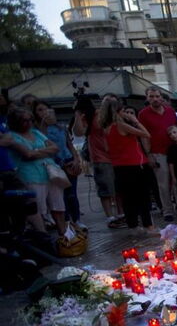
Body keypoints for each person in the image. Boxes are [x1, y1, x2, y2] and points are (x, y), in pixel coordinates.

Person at [5, 107, 67, 235]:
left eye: (30, 120)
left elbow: (55, 148)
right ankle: (43, 236)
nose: (28, 123)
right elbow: (28, 154)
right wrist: (44, 152)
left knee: (58, 206)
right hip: (31, 175)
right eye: (24, 120)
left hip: (50, 173)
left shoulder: (36, 132)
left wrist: (36, 152)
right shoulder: (12, 136)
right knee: (38, 209)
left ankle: (65, 235)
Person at [100, 102, 156, 234]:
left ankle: (133, 226)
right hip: (134, 164)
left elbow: (106, 148)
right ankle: (148, 226)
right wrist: (135, 121)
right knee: (142, 196)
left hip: (119, 166)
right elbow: (146, 134)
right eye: (124, 111)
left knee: (128, 198)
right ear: (118, 112)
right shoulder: (121, 125)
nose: (126, 114)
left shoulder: (107, 128)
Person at [73, 95, 123, 227]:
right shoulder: (90, 116)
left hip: (116, 156)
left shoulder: (112, 115)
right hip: (100, 157)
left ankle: (121, 214)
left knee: (118, 187)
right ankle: (110, 217)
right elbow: (78, 132)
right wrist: (77, 115)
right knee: (105, 188)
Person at [34, 101, 82, 227]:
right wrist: (44, 123)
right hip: (53, 165)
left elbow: (69, 145)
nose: (44, 113)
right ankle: (65, 222)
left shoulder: (61, 127)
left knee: (72, 194)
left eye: (46, 109)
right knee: (60, 196)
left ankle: (76, 220)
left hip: (68, 161)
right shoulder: (36, 130)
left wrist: (76, 159)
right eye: (40, 110)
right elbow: (42, 143)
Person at [138, 86, 177, 221]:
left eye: (157, 96)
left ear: (161, 97)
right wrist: (148, 154)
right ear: (147, 98)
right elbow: (143, 136)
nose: (155, 99)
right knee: (163, 183)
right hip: (157, 152)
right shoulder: (143, 114)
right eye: (151, 96)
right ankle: (167, 211)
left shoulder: (170, 111)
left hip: (174, 150)